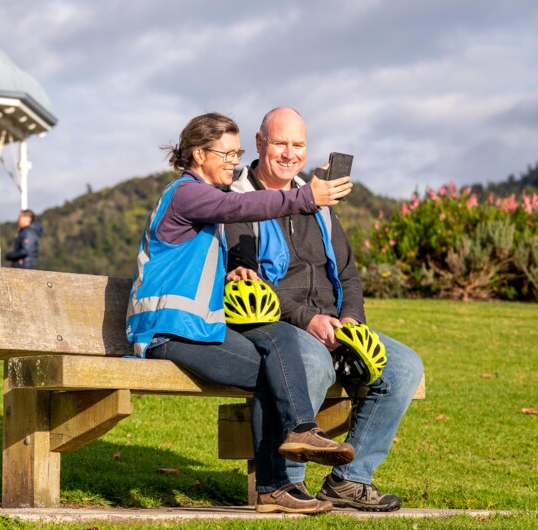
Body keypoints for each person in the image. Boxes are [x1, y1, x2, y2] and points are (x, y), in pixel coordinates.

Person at [126, 112, 354, 514]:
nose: (234, 161)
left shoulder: (205, 204)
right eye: (226, 153)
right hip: (166, 333)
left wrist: (235, 270)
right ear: (198, 154)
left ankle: (295, 446)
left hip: (198, 329)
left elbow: (196, 260)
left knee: (279, 339)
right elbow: (242, 207)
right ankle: (276, 483)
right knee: (273, 371)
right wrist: (305, 197)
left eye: (238, 153)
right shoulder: (186, 193)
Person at [225, 107, 425, 512]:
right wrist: (307, 319)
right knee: (313, 364)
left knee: (405, 367)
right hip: (277, 324)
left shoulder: (321, 203)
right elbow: (244, 281)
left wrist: (351, 320)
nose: (289, 153)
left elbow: (348, 274)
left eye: (298, 144)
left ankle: (349, 481)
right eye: (279, 142)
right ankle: (286, 486)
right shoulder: (239, 202)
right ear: (260, 143)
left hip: (333, 323)